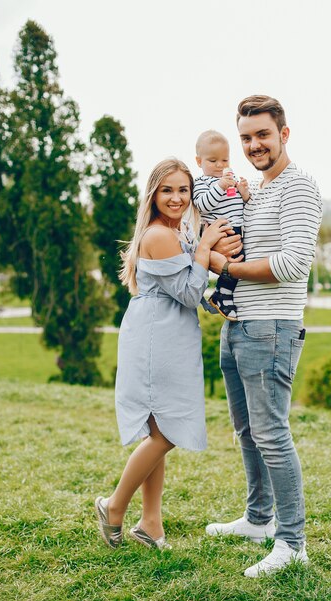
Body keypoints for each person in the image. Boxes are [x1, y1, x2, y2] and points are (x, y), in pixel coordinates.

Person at [207, 95, 323, 577]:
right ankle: (259, 519)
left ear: (284, 134)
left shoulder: (298, 188)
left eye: (263, 135)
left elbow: (293, 263)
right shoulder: (258, 190)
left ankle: (291, 542)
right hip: (238, 326)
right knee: (247, 432)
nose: (254, 145)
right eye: (246, 138)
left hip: (271, 329)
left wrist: (224, 265)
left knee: (272, 435)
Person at [95, 158, 228, 550]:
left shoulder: (176, 231)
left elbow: (186, 289)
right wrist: (205, 246)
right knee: (165, 433)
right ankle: (114, 507)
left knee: (158, 429)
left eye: (183, 190)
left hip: (167, 331)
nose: (176, 198)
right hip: (156, 337)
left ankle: (150, 524)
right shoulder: (159, 235)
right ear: (153, 193)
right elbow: (187, 291)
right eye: (167, 190)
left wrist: (211, 300)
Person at [193, 130, 250, 321]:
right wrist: (220, 186)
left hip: (236, 228)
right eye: (213, 161)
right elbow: (202, 204)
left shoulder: (229, 180)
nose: (220, 165)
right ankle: (223, 296)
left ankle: (221, 294)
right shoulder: (202, 183)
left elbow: (238, 205)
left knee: (239, 262)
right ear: (199, 161)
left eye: (225, 160)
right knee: (234, 264)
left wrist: (243, 193)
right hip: (220, 230)